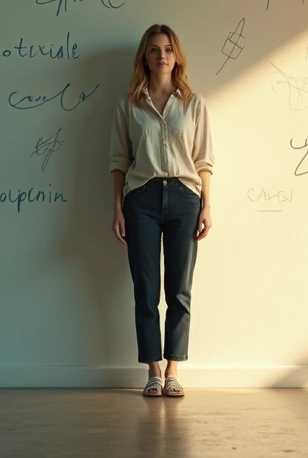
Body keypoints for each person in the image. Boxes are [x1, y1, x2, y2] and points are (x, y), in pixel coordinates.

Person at [109, 23, 214, 398]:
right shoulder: (129, 105)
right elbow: (119, 160)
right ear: (145, 56)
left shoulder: (193, 103)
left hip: (186, 198)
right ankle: (152, 370)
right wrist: (118, 208)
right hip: (141, 200)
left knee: (179, 290)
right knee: (146, 289)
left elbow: (203, 160)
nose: (162, 55)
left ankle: (173, 370)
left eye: (168, 49)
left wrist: (207, 205)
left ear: (176, 56)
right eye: (154, 49)